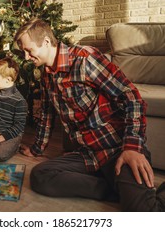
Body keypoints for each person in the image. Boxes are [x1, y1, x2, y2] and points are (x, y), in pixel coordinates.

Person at [14, 17, 165, 212]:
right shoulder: (46, 75)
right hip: (87, 153)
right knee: (40, 175)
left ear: (45, 42)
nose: (26, 57)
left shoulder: (85, 58)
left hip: (117, 148)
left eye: (28, 50)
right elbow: (47, 115)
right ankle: (116, 189)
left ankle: (130, 189)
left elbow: (132, 97)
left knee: (145, 215)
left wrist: (132, 148)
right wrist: (36, 149)